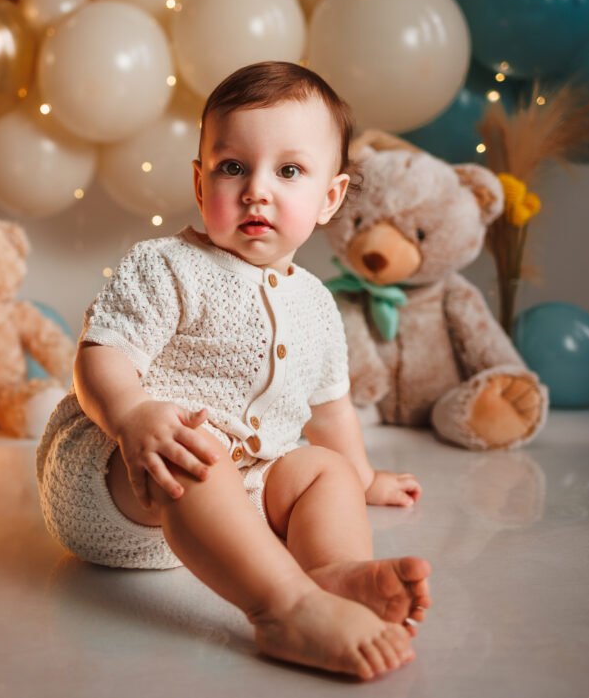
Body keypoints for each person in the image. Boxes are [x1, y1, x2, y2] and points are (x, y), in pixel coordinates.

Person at [37, 61, 431, 680]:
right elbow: (99, 356)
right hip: (123, 479)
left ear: (330, 197)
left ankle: (333, 573)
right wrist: (133, 415)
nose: (257, 190)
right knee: (191, 451)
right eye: (233, 167)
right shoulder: (167, 266)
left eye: (290, 171)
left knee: (320, 468)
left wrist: (363, 476)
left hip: (238, 494)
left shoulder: (318, 306)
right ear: (200, 184)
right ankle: (283, 607)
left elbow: (330, 413)